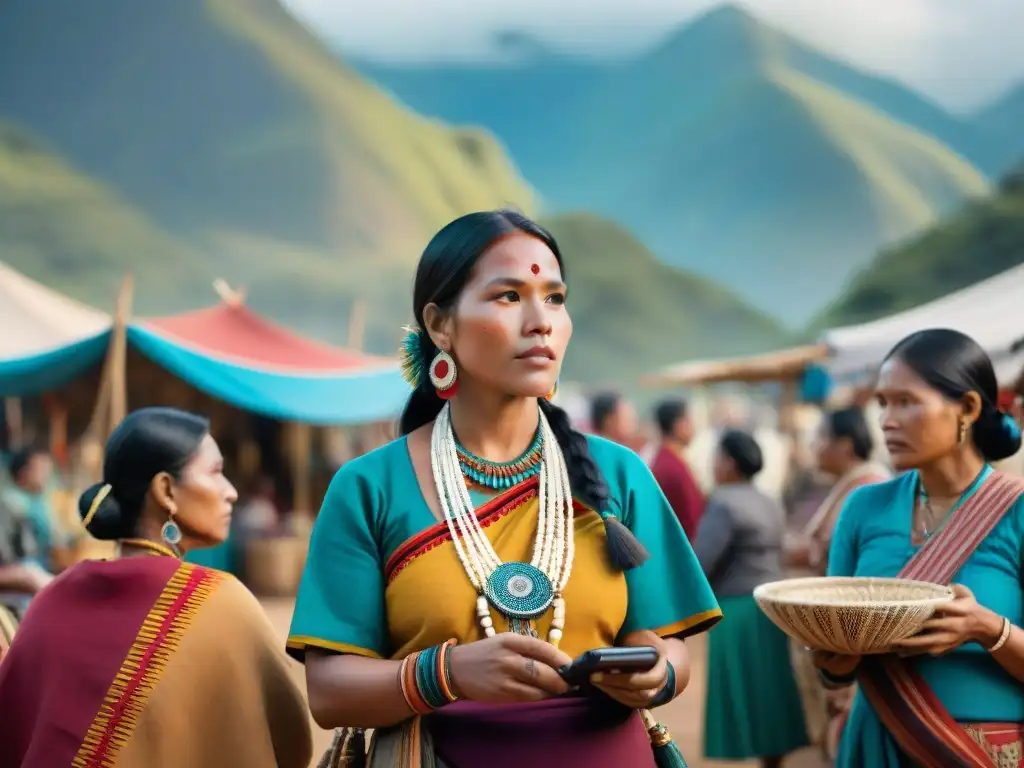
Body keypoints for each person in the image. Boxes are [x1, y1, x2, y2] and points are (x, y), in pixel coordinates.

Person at [288, 210, 721, 768]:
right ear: (440, 324)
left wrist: (656, 672)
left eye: (556, 298)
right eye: (509, 297)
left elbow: (672, 650)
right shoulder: (368, 488)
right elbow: (328, 692)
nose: (541, 321)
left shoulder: (618, 477)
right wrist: (450, 673)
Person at [0, 407, 312, 768]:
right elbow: (289, 742)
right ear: (165, 490)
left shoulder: (53, 596)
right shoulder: (221, 602)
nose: (231, 493)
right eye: (216, 473)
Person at [816, 329, 1024, 767]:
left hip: (978, 750)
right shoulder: (863, 508)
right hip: (879, 740)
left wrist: (988, 629)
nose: (887, 421)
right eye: (882, 403)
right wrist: (834, 656)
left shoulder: (1017, 511)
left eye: (906, 402)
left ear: (966, 407)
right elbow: (836, 670)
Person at [694, 429, 809, 768]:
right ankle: (775, 759)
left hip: (736, 608)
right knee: (771, 687)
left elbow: (703, 559)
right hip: (772, 606)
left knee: (741, 690)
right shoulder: (768, 499)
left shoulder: (724, 501)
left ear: (728, 464)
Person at [785, 406, 891, 760]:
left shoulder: (869, 485)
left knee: (843, 725)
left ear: (845, 445)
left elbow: (837, 558)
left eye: (821, 438)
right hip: (833, 631)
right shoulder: (854, 483)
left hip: (849, 633)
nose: (815, 447)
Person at [649, 398, 705, 540]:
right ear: (678, 425)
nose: (693, 426)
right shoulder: (671, 468)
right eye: (688, 421)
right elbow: (690, 519)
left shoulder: (669, 460)